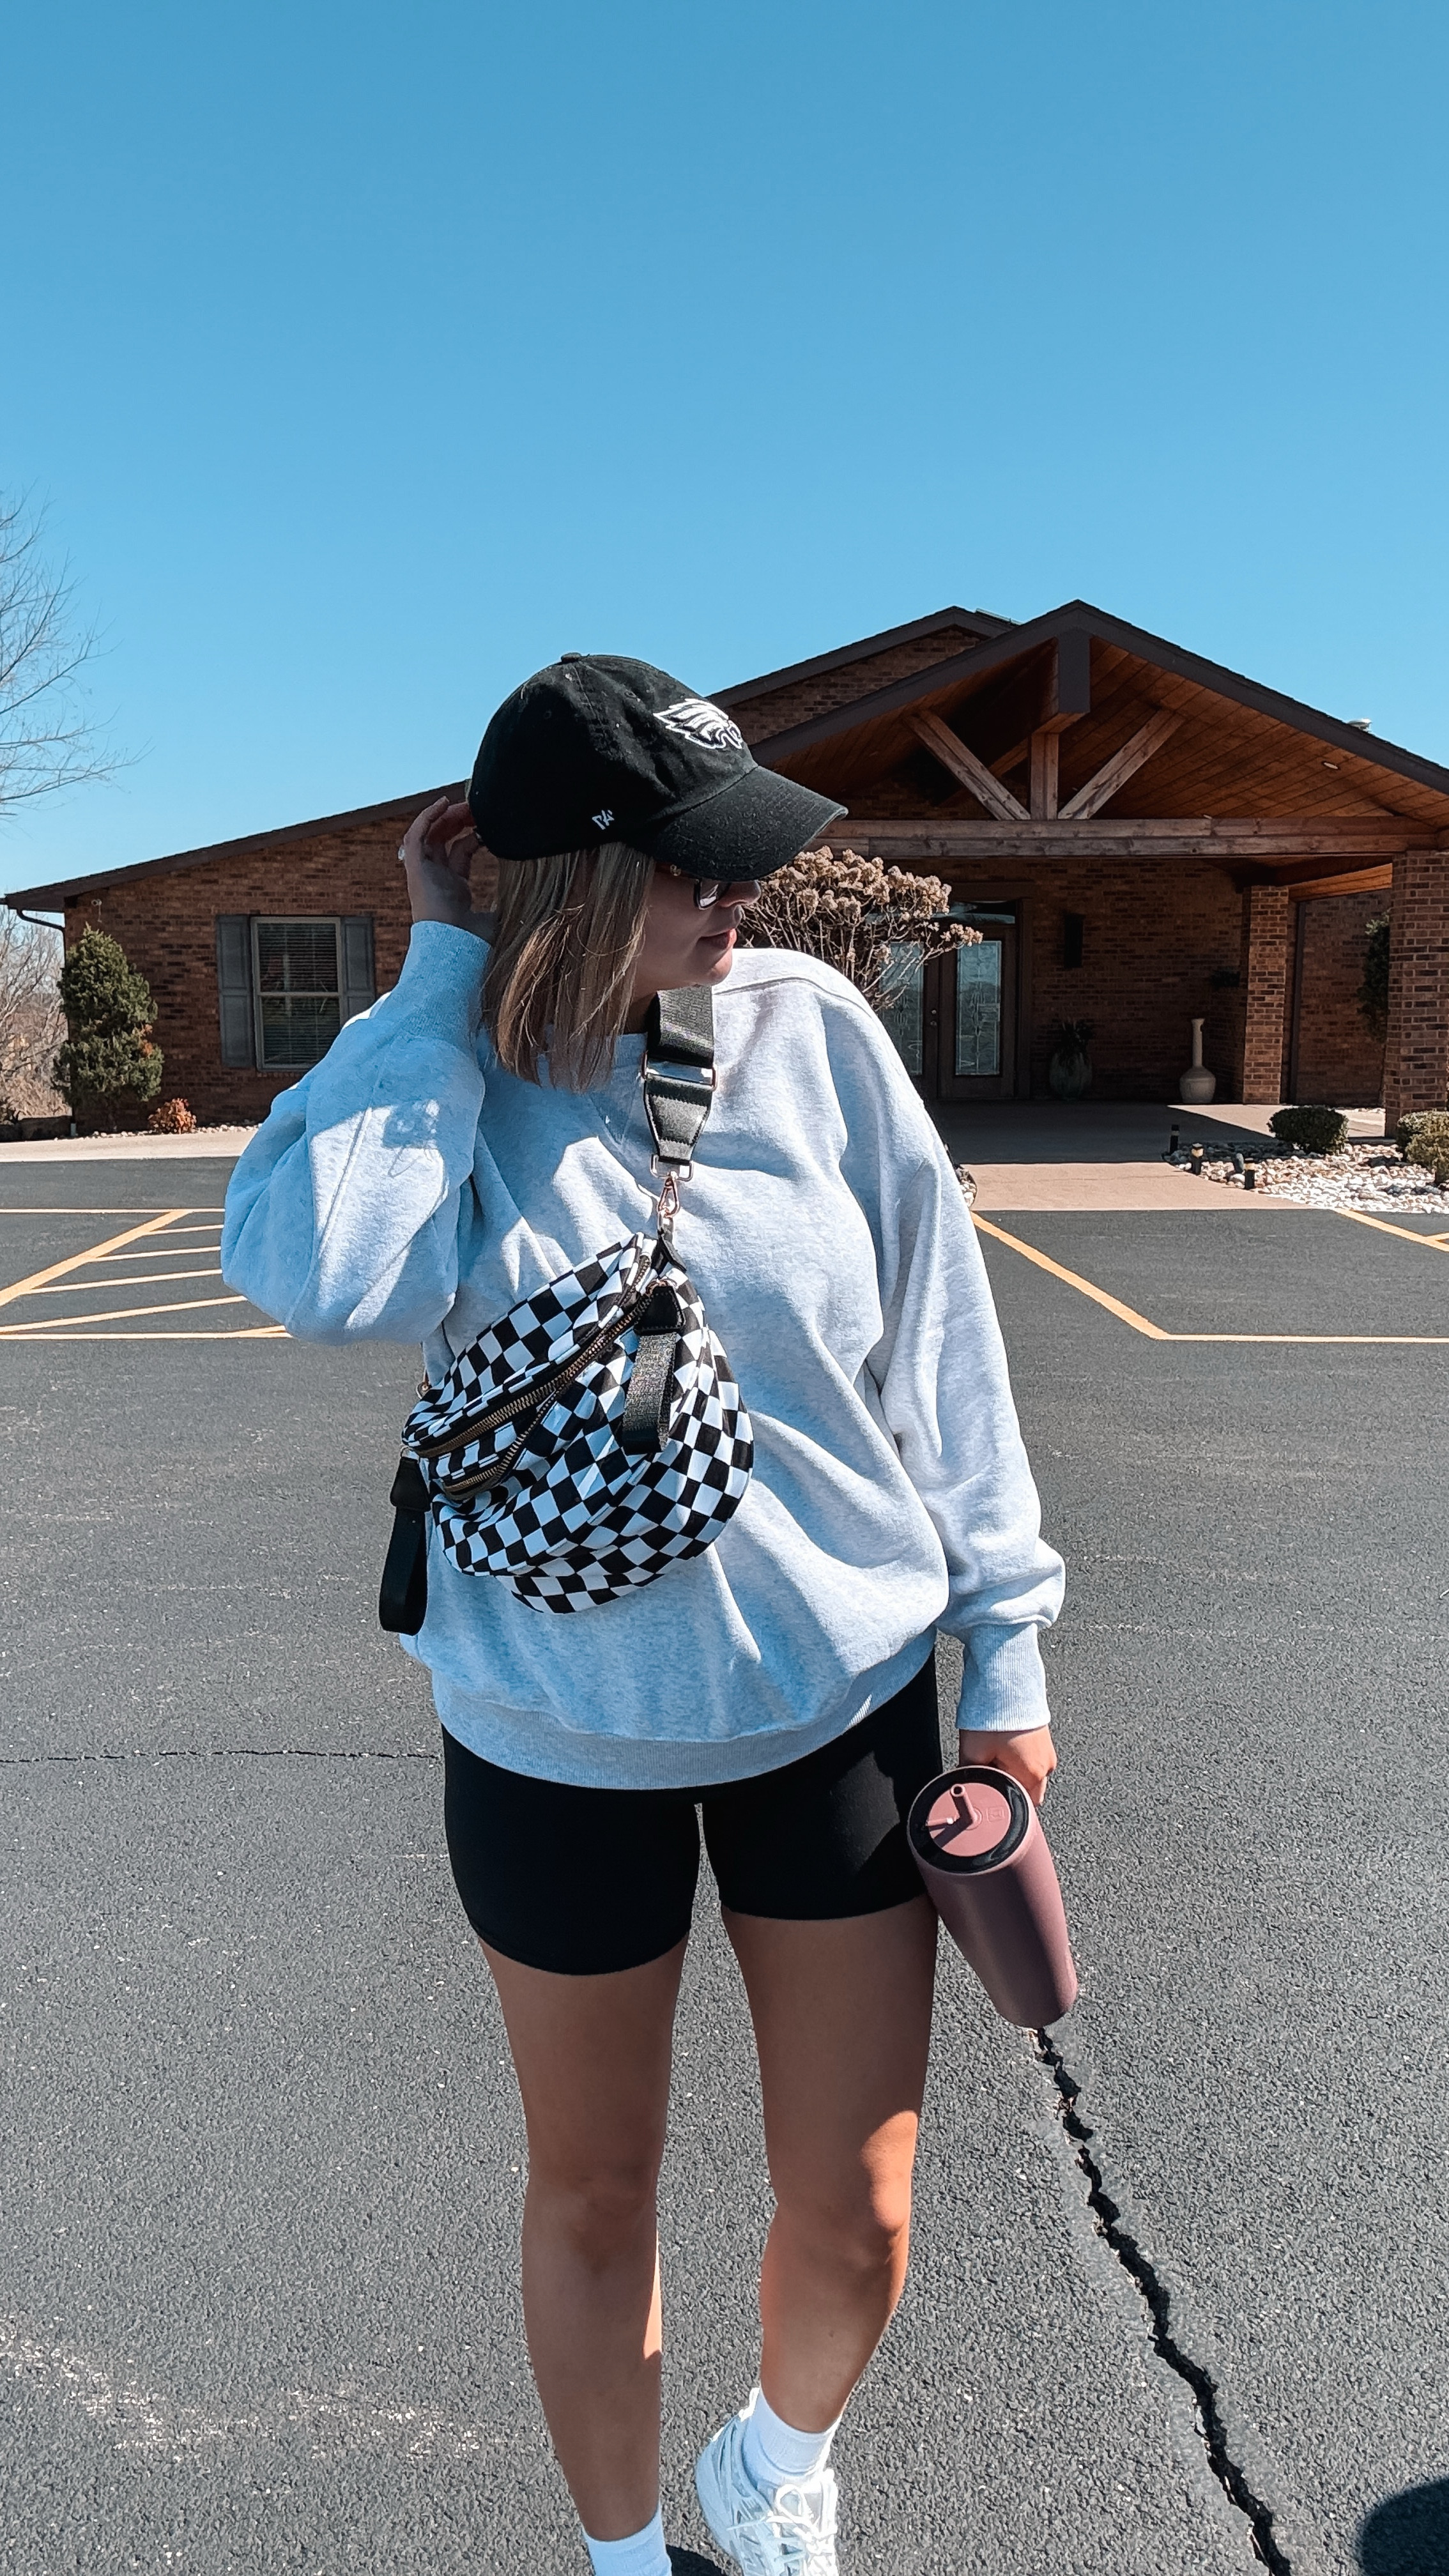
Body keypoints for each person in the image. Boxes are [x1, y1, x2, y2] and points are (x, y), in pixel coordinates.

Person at [222, 654, 1064, 2576]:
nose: (736, 897)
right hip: (550, 1736)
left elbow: (943, 1346)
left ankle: (773, 2466)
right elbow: (328, 1279)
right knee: (595, 2195)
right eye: (694, 865)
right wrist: (438, 983)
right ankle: (619, 2561)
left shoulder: (810, 1029)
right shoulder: (440, 1075)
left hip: (836, 1709)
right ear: (571, 877)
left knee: (860, 2206)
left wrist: (1003, 1651)